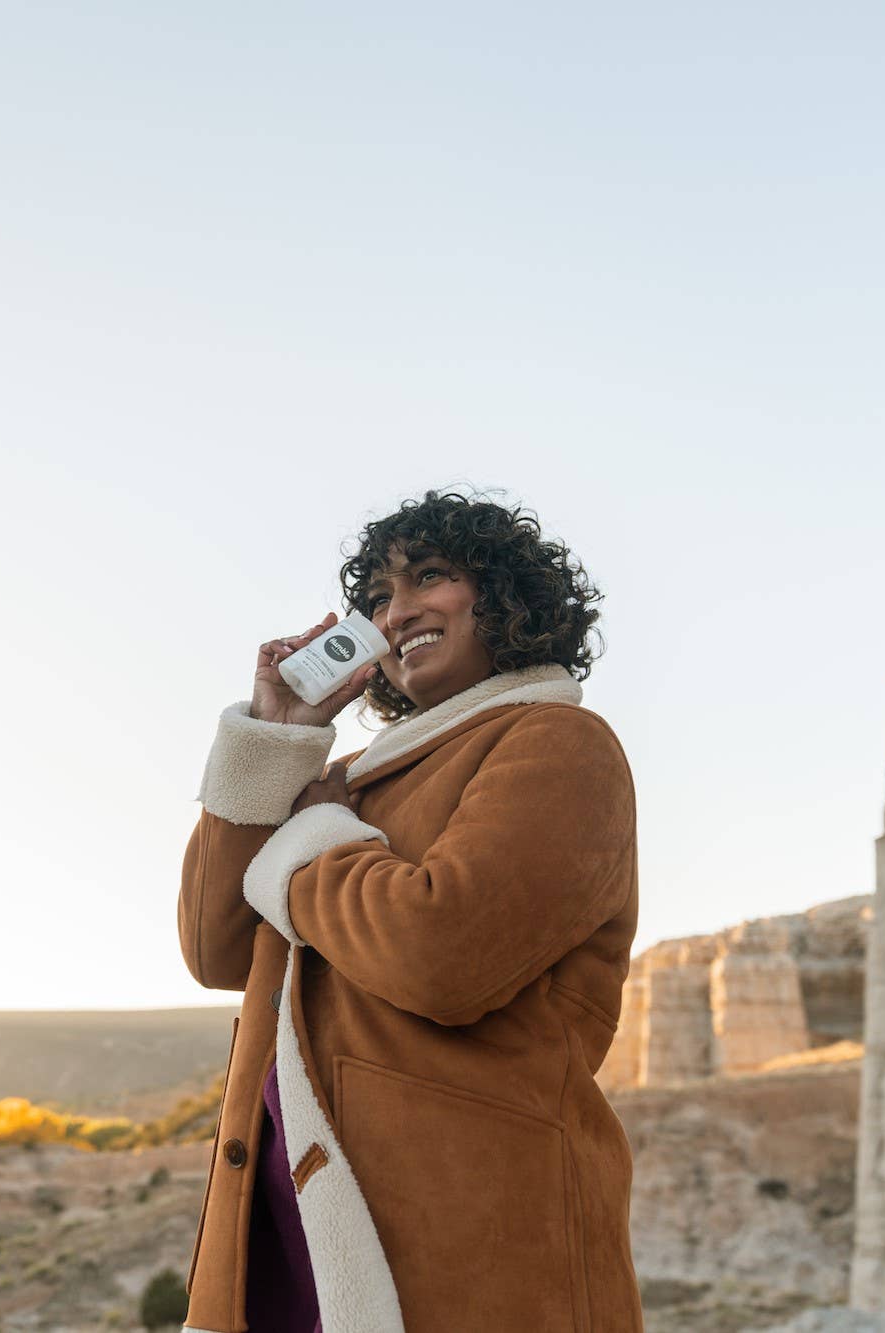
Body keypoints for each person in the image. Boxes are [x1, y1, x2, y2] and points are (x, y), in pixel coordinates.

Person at [178, 489, 643, 1333]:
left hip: (464, 1245)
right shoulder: (347, 779)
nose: (397, 613)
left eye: (429, 577)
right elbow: (217, 949)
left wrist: (315, 836)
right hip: (287, 1232)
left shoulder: (557, 743)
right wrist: (272, 744)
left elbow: (442, 954)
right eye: (378, 599)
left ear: (506, 596)